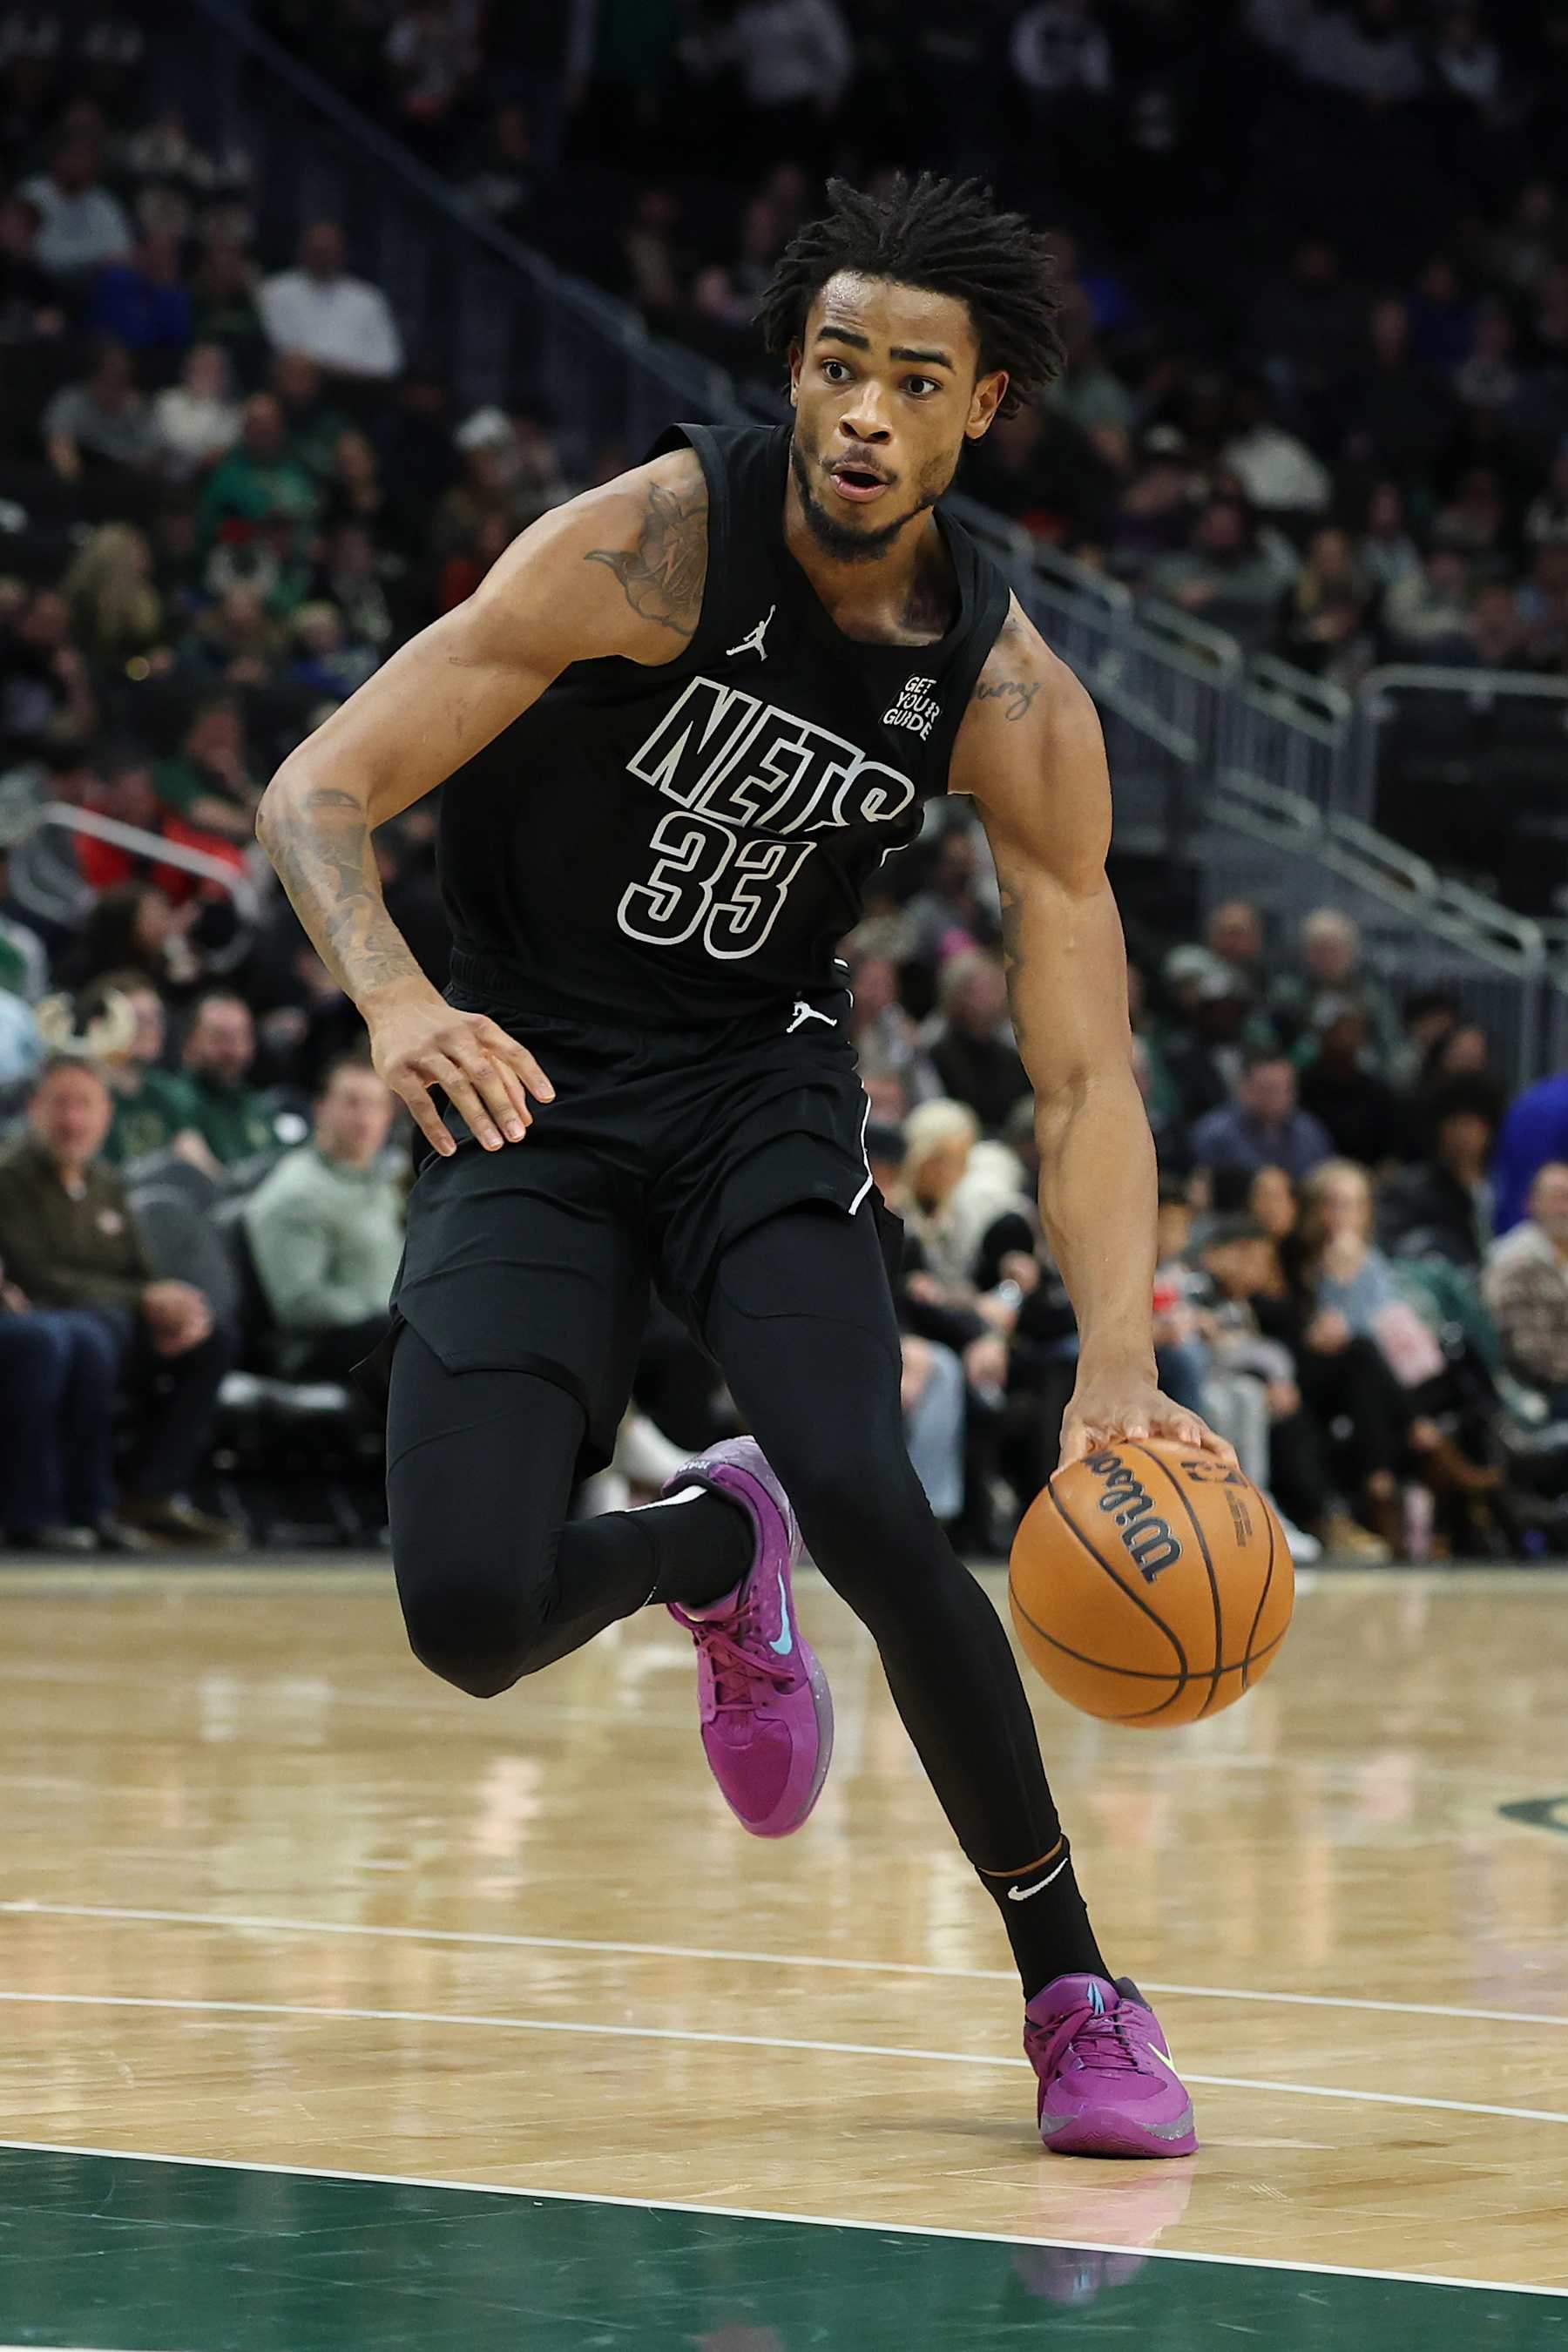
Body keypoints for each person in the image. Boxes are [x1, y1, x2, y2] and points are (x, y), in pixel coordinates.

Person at [257, 172, 1231, 2160]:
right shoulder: (648, 545)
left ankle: (1074, 1985)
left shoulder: (1009, 692)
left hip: (749, 1083)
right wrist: (390, 999)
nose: (864, 411)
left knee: (876, 1489)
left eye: (914, 382)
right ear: (795, 370)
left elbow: (1082, 1070)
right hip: (521, 1076)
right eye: (837, 364)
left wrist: (1116, 1361)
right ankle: (715, 1547)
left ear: (985, 415)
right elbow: (319, 787)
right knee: (465, 1609)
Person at [0, 1058, 241, 1547]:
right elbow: (36, 1275)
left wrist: (171, 1308)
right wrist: (144, 1298)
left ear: (106, 1115)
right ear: (33, 1110)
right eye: (60, 1104)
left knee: (213, 1338)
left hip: (111, 1322)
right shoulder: (11, 1178)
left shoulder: (106, 1181)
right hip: (61, 1322)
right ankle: (67, 1507)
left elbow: (140, 1270)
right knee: (79, 1339)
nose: (73, 1119)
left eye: (85, 1105)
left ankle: (149, 1493)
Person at [244, 1057, 405, 1379]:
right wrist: (385, 1310)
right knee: (406, 1338)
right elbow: (298, 1303)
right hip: (320, 1349)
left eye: (376, 1105)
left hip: (382, 1330)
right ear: (321, 1108)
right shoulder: (296, 1192)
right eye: (351, 1103)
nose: (365, 1118)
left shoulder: (380, 1182)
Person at [257, 221, 404, 381]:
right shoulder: (275, 292)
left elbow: (389, 363)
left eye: (329, 252)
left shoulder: (368, 299)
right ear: (303, 251)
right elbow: (276, 347)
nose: (323, 258)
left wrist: (338, 370)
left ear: (343, 254)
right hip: (294, 385)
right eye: (317, 251)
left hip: (358, 389)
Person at [1483, 1163, 1568, 1416]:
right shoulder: (1516, 1260)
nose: (1564, 1208)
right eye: (1556, 1197)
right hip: (1541, 1392)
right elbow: (1531, 1355)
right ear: (1531, 1203)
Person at [1190, 1052, 1335, 1182]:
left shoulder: (1310, 1132)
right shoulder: (1214, 1134)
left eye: (1286, 1088)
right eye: (1269, 1088)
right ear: (1243, 1088)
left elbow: (1324, 1184)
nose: (1278, 1097)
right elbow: (1202, 1189)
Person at [179, 992, 280, 1168]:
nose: (232, 1050)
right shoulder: (175, 1100)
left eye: (241, 1037)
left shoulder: (255, 1103)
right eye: (220, 1037)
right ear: (190, 1041)